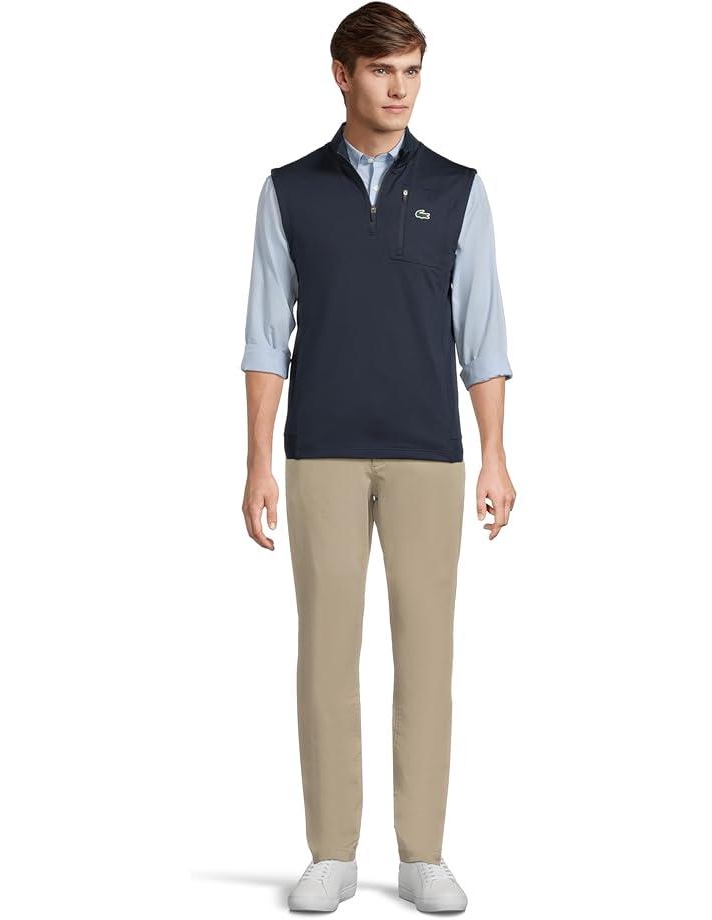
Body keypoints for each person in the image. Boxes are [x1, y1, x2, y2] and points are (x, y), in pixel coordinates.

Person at [240, 2, 516, 911]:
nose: (400, 89)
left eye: (412, 71)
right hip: (319, 451)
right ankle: (331, 853)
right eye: (382, 71)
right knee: (325, 655)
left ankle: (422, 854)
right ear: (342, 74)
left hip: (429, 454)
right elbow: (265, 339)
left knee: (426, 656)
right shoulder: (288, 190)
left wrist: (495, 456)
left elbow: (483, 334)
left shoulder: (459, 188)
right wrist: (257, 463)